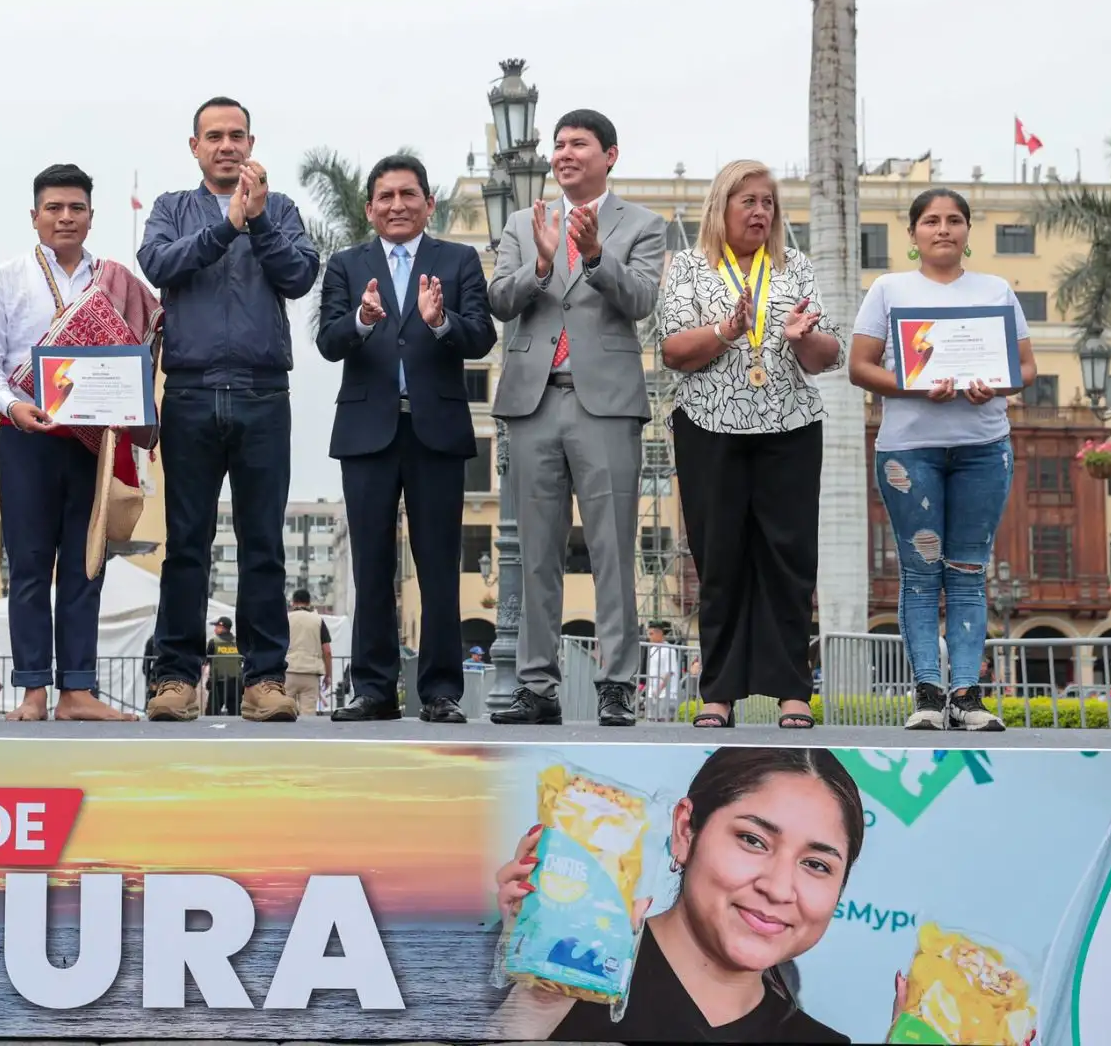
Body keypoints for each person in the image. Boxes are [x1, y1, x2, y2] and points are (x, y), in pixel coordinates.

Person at [138, 97, 319, 723]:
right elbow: (158, 263)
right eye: (212, 136)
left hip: (263, 393)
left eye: (236, 135)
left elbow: (299, 276)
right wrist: (227, 226)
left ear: (251, 142)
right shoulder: (170, 210)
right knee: (187, 543)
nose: (225, 145)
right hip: (189, 391)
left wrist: (260, 220)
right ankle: (175, 680)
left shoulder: (285, 209)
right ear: (194, 147)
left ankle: (263, 681)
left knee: (263, 544)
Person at [488, 110, 667, 728]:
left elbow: (641, 301)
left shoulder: (643, 224)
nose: (564, 154)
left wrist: (594, 257)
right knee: (536, 552)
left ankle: (618, 683)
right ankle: (537, 686)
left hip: (607, 404)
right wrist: (540, 266)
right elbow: (498, 300)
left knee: (612, 549)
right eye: (559, 145)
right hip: (533, 400)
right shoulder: (522, 223)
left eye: (579, 145)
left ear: (609, 155)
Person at [492, 748, 863, 1043]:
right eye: (753, 840)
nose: (779, 888)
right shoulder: (528, 961)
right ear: (686, 831)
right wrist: (540, 998)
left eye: (816, 865)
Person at [658, 160, 844, 731]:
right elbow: (672, 351)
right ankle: (718, 694)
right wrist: (726, 332)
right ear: (721, 208)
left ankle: (792, 692)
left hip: (788, 428)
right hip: (710, 428)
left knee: (789, 561)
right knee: (720, 563)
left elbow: (827, 357)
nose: (761, 211)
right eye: (749, 202)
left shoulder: (796, 269)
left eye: (767, 202)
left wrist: (804, 336)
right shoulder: (688, 267)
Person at [0, 163, 150, 722]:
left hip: (95, 443)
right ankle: (32, 691)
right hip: (27, 435)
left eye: (76, 208)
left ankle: (78, 692)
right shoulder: (7, 279)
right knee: (28, 564)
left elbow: (139, 352)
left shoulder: (115, 282)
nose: (65, 217)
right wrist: (13, 405)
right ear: (34, 216)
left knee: (86, 564)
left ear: (92, 217)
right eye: (54, 208)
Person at [317, 154, 497, 723]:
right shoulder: (346, 265)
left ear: (429, 203)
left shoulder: (459, 260)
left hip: (435, 431)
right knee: (371, 565)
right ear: (370, 208)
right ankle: (373, 689)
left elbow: (481, 337)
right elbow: (328, 340)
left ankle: (440, 691)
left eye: (409, 195)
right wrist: (364, 320)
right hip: (367, 431)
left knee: (438, 563)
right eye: (386, 196)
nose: (398, 205)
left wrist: (441, 321)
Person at [851, 188, 1034, 732]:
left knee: (969, 573)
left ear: (968, 230)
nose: (943, 229)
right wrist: (914, 385)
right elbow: (860, 367)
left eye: (954, 220)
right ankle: (929, 694)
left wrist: (994, 385)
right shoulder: (888, 289)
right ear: (912, 234)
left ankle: (967, 696)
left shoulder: (996, 289)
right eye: (930, 221)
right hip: (909, 450)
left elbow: (1023, 366)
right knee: (920, 573)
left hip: (983, 446)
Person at [283, 589, 332, 716]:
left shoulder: (285, 619)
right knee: (308, 714)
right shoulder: (318, 621)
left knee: (285, 711)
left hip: (288, 671)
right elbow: (327, 651)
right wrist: (328, 675)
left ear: (293, 602)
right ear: (309, 602)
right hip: (311, 673)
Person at [205, 616, 241, 716]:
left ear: (222, 627)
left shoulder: (214, 642)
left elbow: (206, 661)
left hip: (218, 683)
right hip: (236, 684)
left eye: (217, 626)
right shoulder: (237, 642)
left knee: (211, 715)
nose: (215, 629)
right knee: (237, 715)